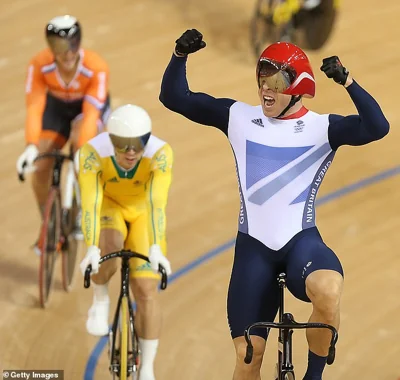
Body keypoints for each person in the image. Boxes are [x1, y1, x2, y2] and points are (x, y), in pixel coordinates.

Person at [159, 29, 389, 380]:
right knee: (248, 356)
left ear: (298, 87)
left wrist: (349, 82)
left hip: (302, 244)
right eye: (262, 79)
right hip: (254, 250)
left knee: (328, 291)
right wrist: (179, 56)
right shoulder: (237, 117)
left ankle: (313, 377)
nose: (266, 88)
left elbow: (378, 127)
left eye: (277, 82)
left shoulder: (322, 128)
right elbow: (174, 97)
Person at [77, 104, 173, 380]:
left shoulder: (160, 153)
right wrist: (92, 249)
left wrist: (155, 247)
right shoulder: (92, 153)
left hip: (143, 212)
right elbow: (90, 205)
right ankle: (100, 299)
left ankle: (147, 368)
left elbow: (157, 204)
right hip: (110, 208)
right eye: (123, 145)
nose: (131, 152)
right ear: (110, 140)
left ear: (148, 139)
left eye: (138, 145)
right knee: (108, 255)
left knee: (145, 290)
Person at [16, 15, 111, 247]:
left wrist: (82, 153)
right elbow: (35, 106)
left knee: (82, 146)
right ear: (50, 47)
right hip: (57, 109)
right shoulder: (39, 64)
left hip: (86, 111)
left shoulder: (96, 66)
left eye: (72, 46)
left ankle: (82, 210)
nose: (67, 54)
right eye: (60, 47)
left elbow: (90, 115)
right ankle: (48, 223)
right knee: (41, 165)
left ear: (79, 43)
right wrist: (30, 145)